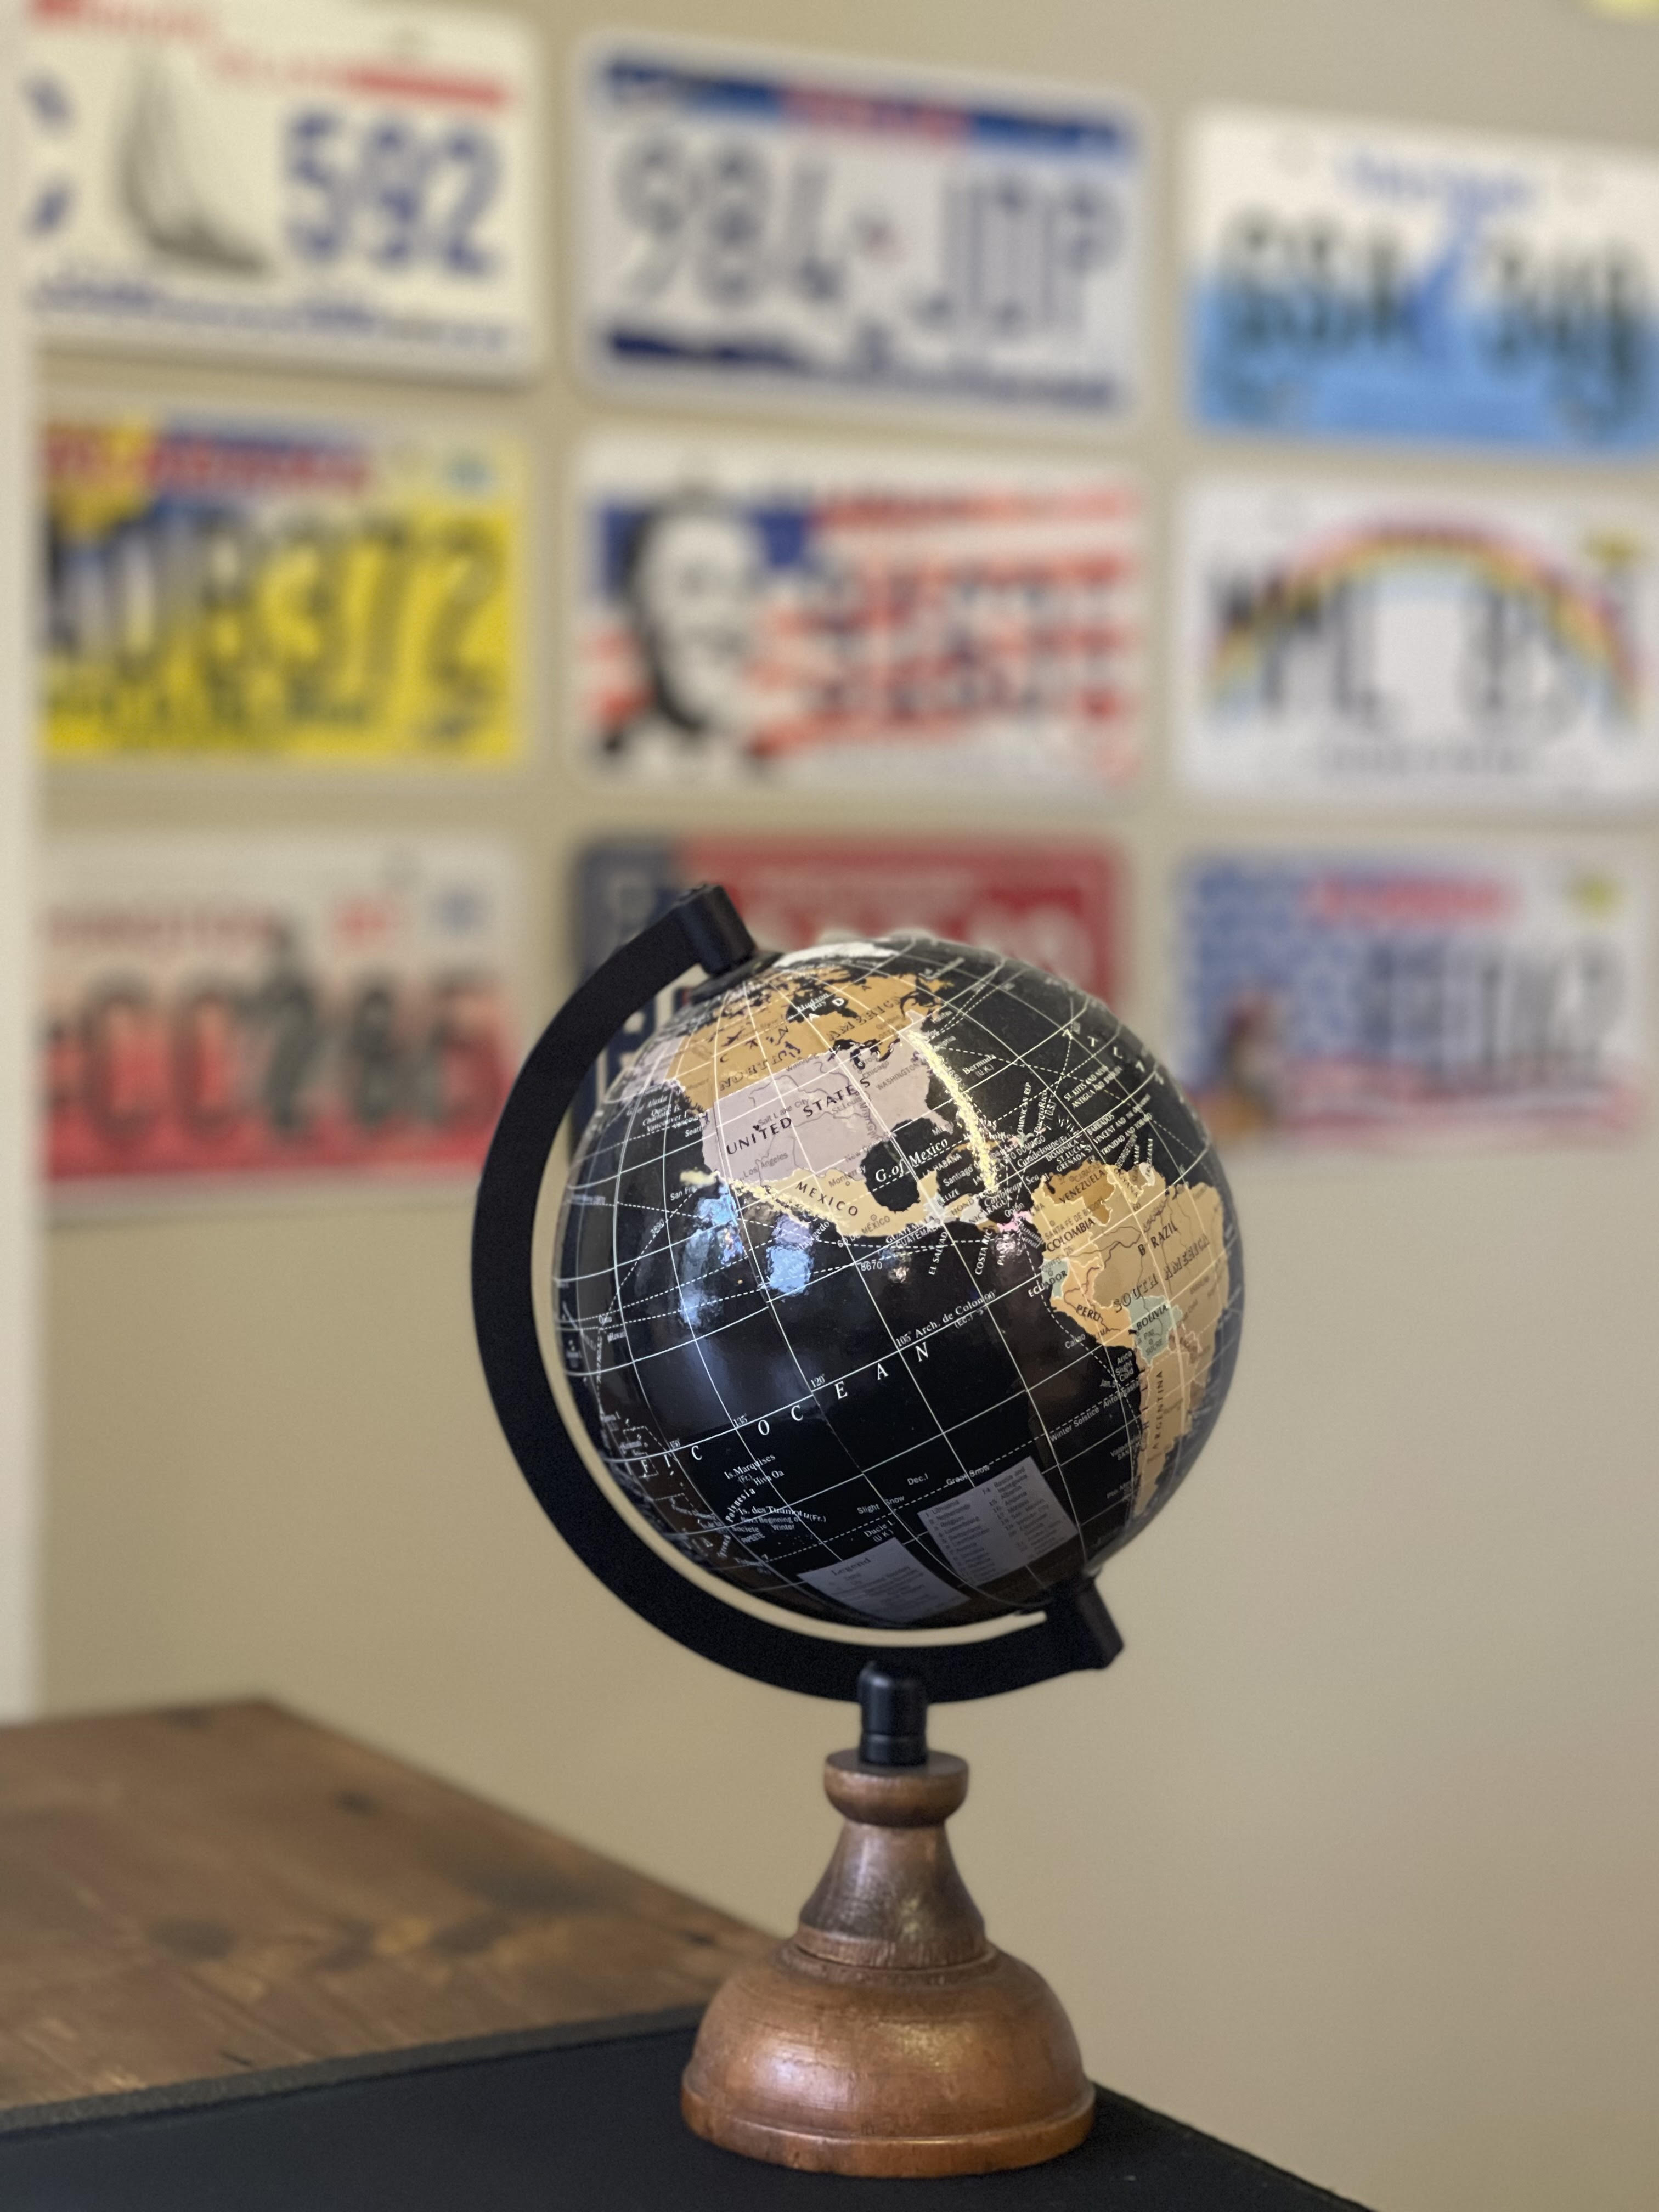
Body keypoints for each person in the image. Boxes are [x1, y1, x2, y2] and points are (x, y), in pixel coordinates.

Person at [601, 493, 768, 779]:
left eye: (741, 589)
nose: (721, 617)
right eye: (694, 586)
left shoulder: (779, 783)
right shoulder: (597, 769)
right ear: (635, 605)